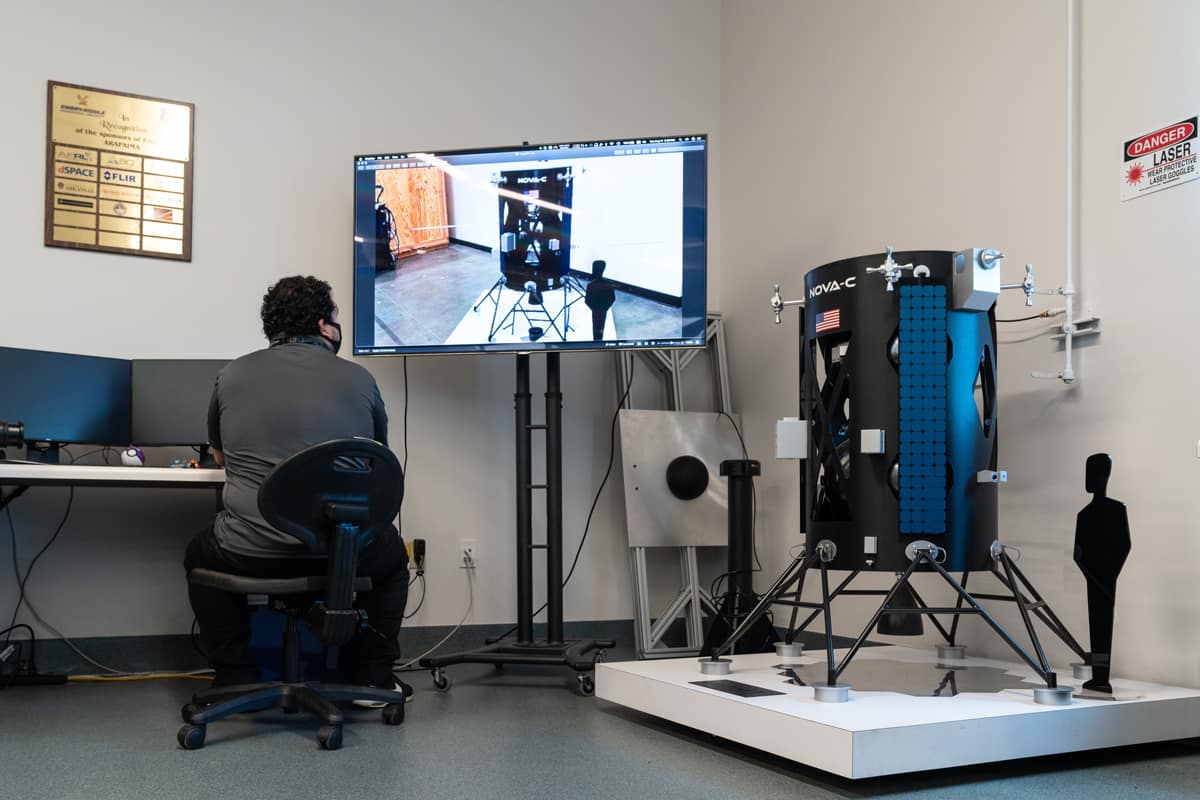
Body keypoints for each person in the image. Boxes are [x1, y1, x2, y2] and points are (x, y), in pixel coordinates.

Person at [184, 275, 410, 702]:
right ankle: (373, 679)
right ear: (324, 325)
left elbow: (221, 457)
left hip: (250, 552)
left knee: (199, 553)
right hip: (341, 552)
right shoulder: (360, 379)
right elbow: (375, 458)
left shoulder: (231, 375)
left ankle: (235, 677)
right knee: (393, 559)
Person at [1072, 452, 1131, 694]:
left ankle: (1101, 677)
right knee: (1097, 626)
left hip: (1104, 578)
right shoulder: (1084, 514)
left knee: (1102, 626)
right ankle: (1099, 677)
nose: (1087, 479)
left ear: (1104, 475)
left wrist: (1109, 574)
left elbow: (1124, 545)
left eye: (1092, 473)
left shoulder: (1115, 510)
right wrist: (1092, 575)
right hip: (1097, 578)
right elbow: (1078, 552)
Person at [584, 259, 616, 340]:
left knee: (597, 327)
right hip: (602, 309)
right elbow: (612, 298)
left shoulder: (591, 285)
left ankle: (597, 341)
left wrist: (595, 308)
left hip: (597, 309)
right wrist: (604, 308)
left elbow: (587, 300)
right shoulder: (609, 284)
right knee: (600, 327)